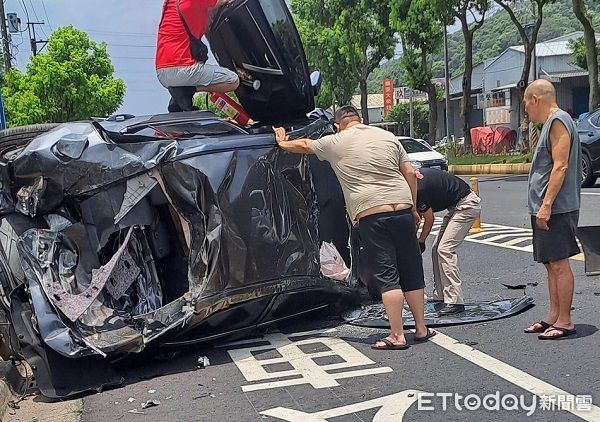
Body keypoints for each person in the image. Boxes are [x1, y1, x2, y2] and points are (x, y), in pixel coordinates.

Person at [273, 105, 435, 350]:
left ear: (337, 125)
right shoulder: (387, 136)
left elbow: (306, 146)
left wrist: (283, 142)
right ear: (361, 120)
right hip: (402, 209)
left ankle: (397, 336)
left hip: (372, 213)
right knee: (411, 271)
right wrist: (412, 208)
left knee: (388, 275)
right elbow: (410, 173)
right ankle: (421, 329)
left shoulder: (336, 141)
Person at [523, 79, 582, 340]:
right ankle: (554, 314)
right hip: (545, 208)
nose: (526, 109)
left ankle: (565, 320)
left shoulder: (558, 121)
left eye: (526, 103)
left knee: (559, 263)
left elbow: (560, 166)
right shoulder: (549, 124)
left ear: (535, 99)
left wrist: (546, 205)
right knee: (550, 264)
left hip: (556, 208)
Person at [415, 168, 481, 315]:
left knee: (444, 250)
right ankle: (440, 296)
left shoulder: (418, 189)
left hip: (467, 206)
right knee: (435, 249)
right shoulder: (413, 181)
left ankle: (455, 301)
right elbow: (417, 218)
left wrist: (421, 241)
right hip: (456, 207)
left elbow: (429, 219)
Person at [155, 0, 240, 110]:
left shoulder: (171, 6)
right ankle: (186, 90)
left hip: (162, 73)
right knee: (233, 81)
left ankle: (178, 99)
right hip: (182, 69)